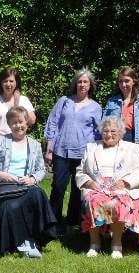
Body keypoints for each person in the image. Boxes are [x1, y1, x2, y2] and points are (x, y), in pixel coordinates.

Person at [0, 107, 56, 258]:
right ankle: (22, 243)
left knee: (38, 193)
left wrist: (32, 179)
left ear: (27, 123)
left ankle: (34, 240)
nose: (18, 126)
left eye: (21, 122)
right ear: (9, 124)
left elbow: (41, 169)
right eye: (14, 123)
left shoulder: (35, 145)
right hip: (1, 185)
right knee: (10, 205)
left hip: (23, 184)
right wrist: (1, 174)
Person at [76, 116, 139, 259]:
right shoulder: (91, 147)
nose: (109, 134)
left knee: (117, 202)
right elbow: (80, 171)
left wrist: (125, 183)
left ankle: (116, 243)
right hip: (97, 187)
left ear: (121, 133)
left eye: (113, 131)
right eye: (106, 131)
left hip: (121, 187)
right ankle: (95, 243)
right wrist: (89, 183)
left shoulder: (131, 148)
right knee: (93, 200)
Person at [44, 67, 102, 229]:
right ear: (75, 84)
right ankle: (52, 222)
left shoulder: (95, 107)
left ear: (90, 85)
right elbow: (52, 124)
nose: (82, 84)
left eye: (85, 82)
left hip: (82, 154)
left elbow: (98, 133)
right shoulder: (64, 101)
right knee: (58, 187)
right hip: (61, 151)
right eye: (79, 81)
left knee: (78, 190)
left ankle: (72, 224)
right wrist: (49, 149)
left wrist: (96, 154)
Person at [103, 66, 139, 148]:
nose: (123, 84)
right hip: (115, 140)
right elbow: (104, 123)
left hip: (135, 140)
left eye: (127, 81)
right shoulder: (112, 101)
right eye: (121, 81)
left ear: (134, 82)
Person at [0, 67, 36, 136]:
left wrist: (16, 104)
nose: (8, 84)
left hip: (18, 142)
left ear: (16, 83)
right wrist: (0, 138)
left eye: (11, 81)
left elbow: (32, 120)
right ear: (1, 83)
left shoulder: (24, 100)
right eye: (5, 81)